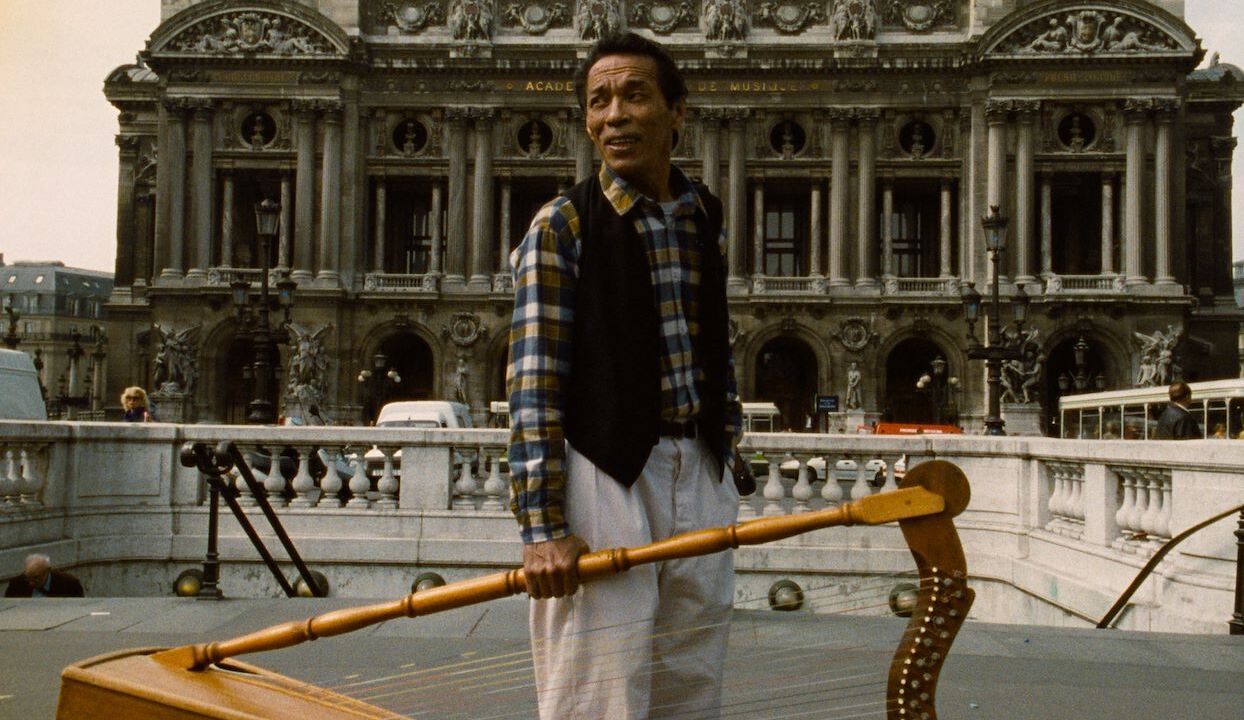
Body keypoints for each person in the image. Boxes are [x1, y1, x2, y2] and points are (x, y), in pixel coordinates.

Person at [506, 32, 742, 719]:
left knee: (692, 684)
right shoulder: (561, 226)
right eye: (598, 101)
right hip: (606, 471)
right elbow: (533, 387)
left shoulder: (702, 215)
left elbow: (710, 347)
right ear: (586, 121)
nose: (614, 116)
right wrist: (542, 527)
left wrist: (727, 450)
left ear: (677, 111)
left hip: (699, 468)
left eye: (635, 95)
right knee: (600, 691)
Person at [4, 553, 84, 598]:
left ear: (48, 570)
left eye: (36, 578)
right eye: (27, 578)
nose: (31, 583)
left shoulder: (69, 584)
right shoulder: (16, 585)